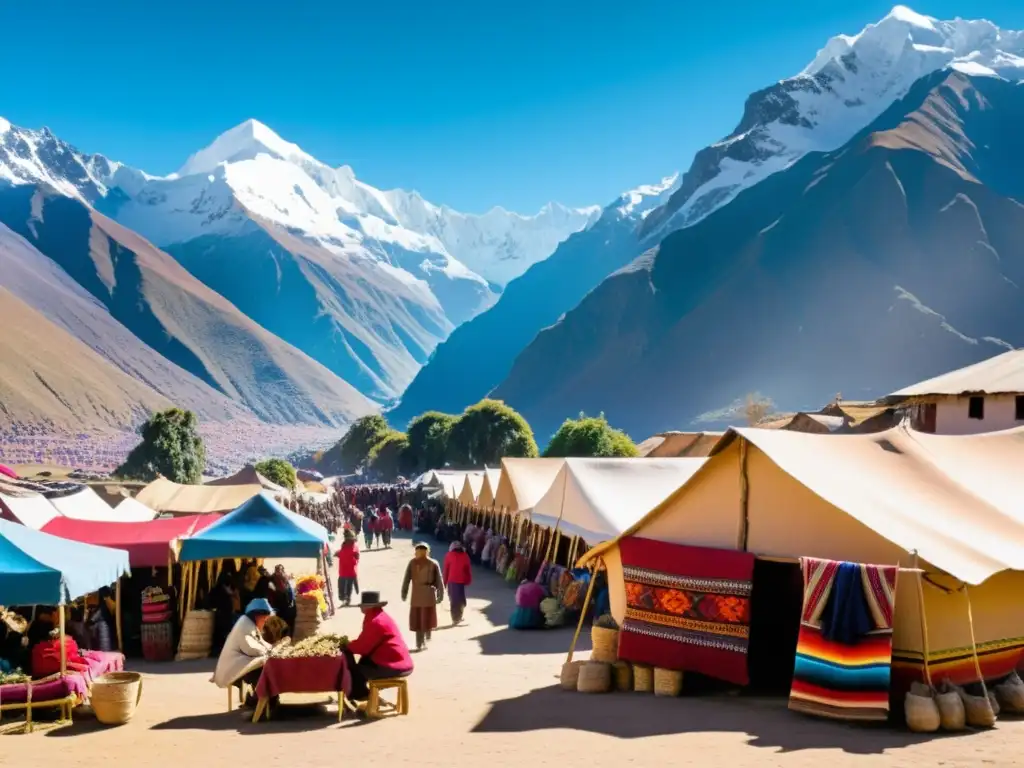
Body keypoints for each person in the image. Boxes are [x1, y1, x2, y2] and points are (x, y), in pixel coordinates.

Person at [343, 591, 413, 700]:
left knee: (353, 672)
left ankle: (364, 697)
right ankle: (365, 694)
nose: (361, 608)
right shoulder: (378, 616)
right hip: (397, 660)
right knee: (363, 661)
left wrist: (346, 645)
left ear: (367, 607)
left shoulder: (376, 621)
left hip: (395, 665)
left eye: (362, 606)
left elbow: (363, 646)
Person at [212, 598, 274, 707]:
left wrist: (272, 648)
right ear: (257, 616)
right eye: (264, 619)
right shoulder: (244, 625)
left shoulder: (248, 623)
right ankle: (258, 701)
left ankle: (255, 699)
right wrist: (269, 651)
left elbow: (260, 642)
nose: (265, 622)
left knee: (263, 665)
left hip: (238, 664)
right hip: (232, 669)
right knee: (262, 670)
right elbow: (250, 648)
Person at [401, 542, 444, 650]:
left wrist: (404, 593)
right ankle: (424, 638)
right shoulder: (431, 563)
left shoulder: (417, 563)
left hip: (418, 595)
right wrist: (440, 594)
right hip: (427, 594)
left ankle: (420, 641)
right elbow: (439, 581)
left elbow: (406, 579)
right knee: (424, 618)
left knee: (419, 619)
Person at [208, 571, 239, 655]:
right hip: (225, 614)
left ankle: (217, 651)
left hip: (220, 614)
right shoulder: (225, 590)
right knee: (224, 633)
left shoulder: (216, 589)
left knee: (219, 633)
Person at [443, 541, 473, 625]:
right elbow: (468, 571)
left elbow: (446, 571)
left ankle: (456, 618)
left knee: (454, 600)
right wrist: (468, 580)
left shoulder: (449, 555)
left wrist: (444, 583)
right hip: (460, 582)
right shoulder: (465, 556)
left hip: (452, 581)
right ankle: (457, 618)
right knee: (460, 600)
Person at [87, 587, 116, 652]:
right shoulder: (111, 602)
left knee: (105, 646)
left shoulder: (103, 605)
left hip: (103, 627)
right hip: (109, 626)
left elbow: (93, 619)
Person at [336, 529, 360, 606]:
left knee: (348, 587)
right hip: (344, 571)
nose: (351, 541)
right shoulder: (343, 547)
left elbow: (357, 557)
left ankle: (347, 599)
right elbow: (339, 553)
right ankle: (344, 598)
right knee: (342, 587)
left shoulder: (354, 548)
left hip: (350, 571)